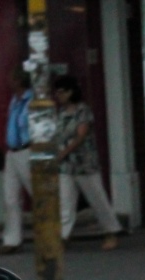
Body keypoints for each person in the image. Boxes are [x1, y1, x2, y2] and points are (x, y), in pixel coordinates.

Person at [53, 74, 122, 250]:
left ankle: (111, 231)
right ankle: (62, 236)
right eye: (57, 93)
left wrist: (63, 153)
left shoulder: (83, 111)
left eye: (62, 92)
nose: (58, 96)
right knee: (65, 203)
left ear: (71, 92)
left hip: (85, 163)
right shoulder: (60, 113)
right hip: (67, 166)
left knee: (97, 199)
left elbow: (81, 135)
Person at [0, 68, 33, 254]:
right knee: (10, 196)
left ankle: (52, 232)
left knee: (36, 191)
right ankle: (12, 238)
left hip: (27, 149)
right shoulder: (15, 100)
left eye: (12, 79)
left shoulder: (31, 100)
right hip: (12, 151)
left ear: (19, 81)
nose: (9, 82)